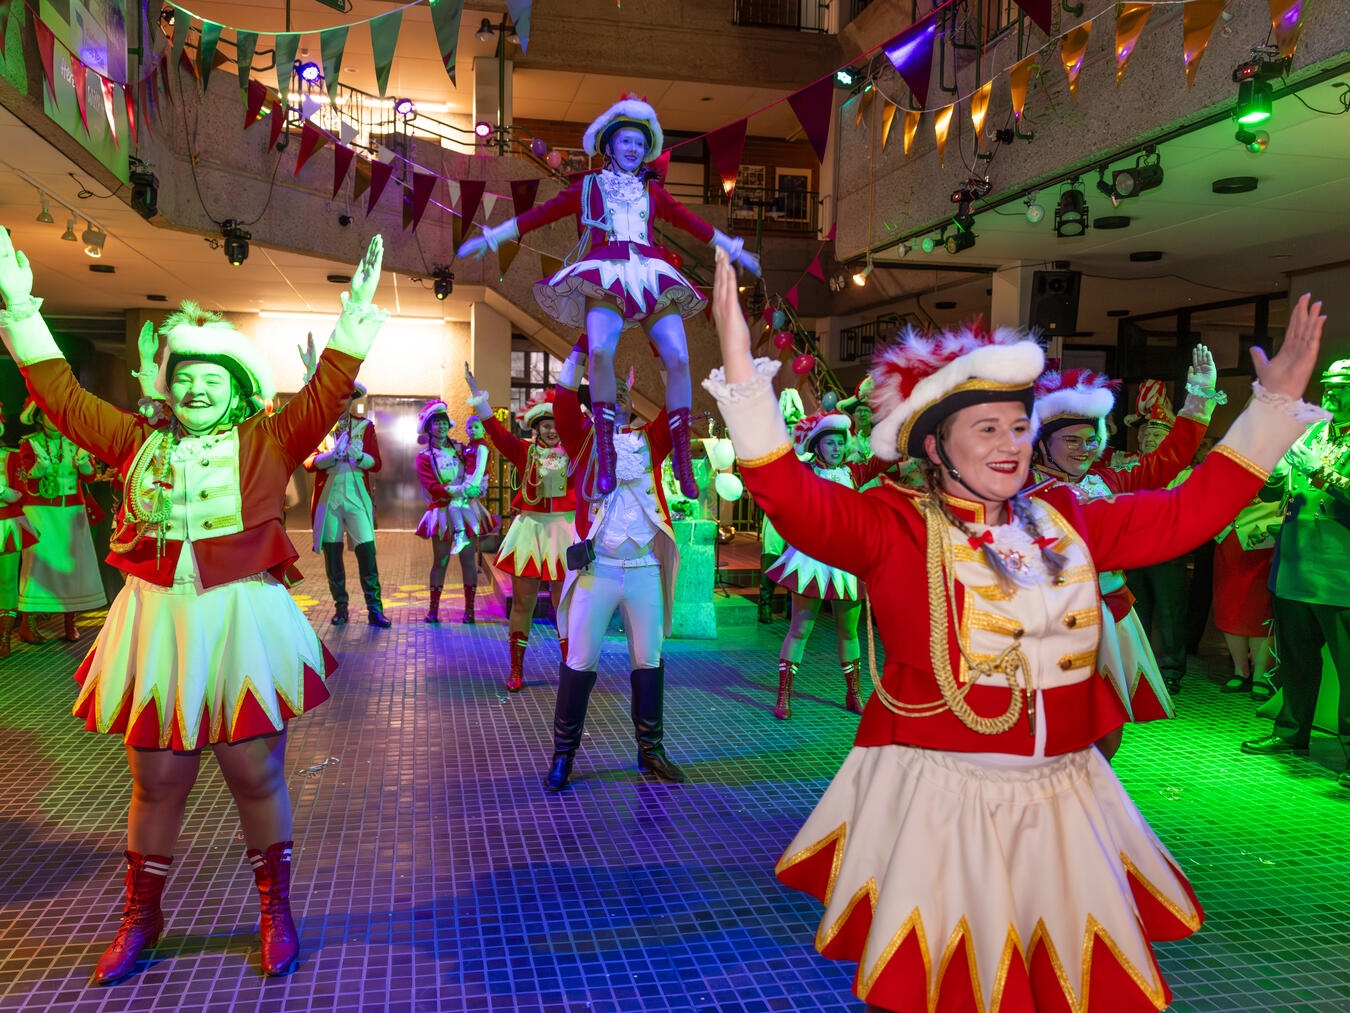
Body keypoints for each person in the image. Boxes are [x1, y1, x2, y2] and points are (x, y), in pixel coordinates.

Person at [704, 247, 1326, 1013]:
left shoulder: (1068, 519)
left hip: (1064, 794)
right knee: (952, 983)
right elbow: (792, 498)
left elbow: (1186, 512)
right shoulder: (893, 527)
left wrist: (1269, 413)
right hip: (948, 798)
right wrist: (741, 374)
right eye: (987, 427)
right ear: (934, 445)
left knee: (1060, 979)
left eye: (1019, 425)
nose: (1010, 443)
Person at [0, 230, 388, 984]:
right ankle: (140, 915)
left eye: (212, 379)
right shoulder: (135, 441)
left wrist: (354, 324)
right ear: (168, 388)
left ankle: (276, 909)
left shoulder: (269, 439)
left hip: (237, 623)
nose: (195, 390)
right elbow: (65, 400)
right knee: (155, 779)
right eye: (184, 380)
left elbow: (324, 395)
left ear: (239, 388)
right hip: (155, 626)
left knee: (254, 772)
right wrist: (20, 310)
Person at [458, 94, 760, 500]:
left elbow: (692, 224)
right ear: (610, 145)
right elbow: (540, 214)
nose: (633, 148)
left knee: (682, 358)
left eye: (640, 142)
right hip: (605, 273)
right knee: (599, 352)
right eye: (626, 141)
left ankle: (683, 459)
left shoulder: (652, 192)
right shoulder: (588, 187)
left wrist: (735, 249)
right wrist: (494, 236)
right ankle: (605, 451)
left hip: (651, 275)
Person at [1030, 358, 1221, 727]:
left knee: (1108, 728)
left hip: (1112, 613)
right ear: (1042, 444)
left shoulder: (1107, 481)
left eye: (1091, 440)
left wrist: (1198, 399)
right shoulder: (1017, 491)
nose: (1084, 449)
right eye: (1071, 440)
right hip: (1049, 621)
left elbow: (1168, 460)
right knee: (1055, 722)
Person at [545, 338, 685, 791]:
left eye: (622, 396)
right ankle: (563, 755)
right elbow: (563, 401)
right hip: (597, 571)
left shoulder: (649, 441)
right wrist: (582, 347)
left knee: (649, 659)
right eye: (607, 396)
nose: (617, 402)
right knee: (580, 660)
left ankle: (651, 752)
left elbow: (676, 408)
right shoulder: (584, 442)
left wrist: (665, 350)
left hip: (643, 569)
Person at [1242, 358, 1350, 790]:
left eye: (1341, 386)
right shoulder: (1311, 431)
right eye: (1328, 383)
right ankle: (1291, 733)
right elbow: (1272, 491)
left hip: (1341, 574)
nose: (1330, 391)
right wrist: (1273, 468)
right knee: (1298, 660)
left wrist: (1319, 473)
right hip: (1295, 567)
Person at [767, 410, 887, 721]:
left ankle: (854, 693)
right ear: (818, 446)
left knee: (849, 631)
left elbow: (884, 460)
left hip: (846, 561)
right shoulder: (803, 471)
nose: (836, 449)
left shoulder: (853, 473)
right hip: (811, 559)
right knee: (800, 628)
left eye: (840, 443)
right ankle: (785, 695)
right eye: (830, 443)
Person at [465, 373, 576, 691]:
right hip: (529, 531)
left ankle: (571, 667)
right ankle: (516, 669)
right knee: (523, 604)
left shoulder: (576, 453)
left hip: (564, 533)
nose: (552, 431)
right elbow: (498, 435)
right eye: (546, 425)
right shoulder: (524, 452)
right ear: (536, 427)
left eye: (556, 424)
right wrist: (481, 402)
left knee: (564, 604)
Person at [14, 398, 107, 642]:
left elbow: (89, 478)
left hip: (72, 513)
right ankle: (27, 623)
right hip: (41, 513)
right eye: (47, 414)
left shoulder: (77, 443)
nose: (53, 419)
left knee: (72, 567)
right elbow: (27, 483)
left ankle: (69, 622)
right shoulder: (29, 445)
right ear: (38, 418)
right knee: (36, 566)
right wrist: (39, 471)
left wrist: (84, 463)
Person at [302, 379, 391, 628]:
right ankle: (341, 608)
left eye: (347, 397)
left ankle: (375, 610)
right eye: (339, 396)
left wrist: (359, 456)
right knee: (332, 556)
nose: (343, 401)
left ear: (353, 399)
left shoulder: (364, 426)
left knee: (367, 554)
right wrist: (331, 456)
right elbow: (308, 463)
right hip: (328, 500)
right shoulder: (319, 428)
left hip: (356, 497)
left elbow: (377, 463)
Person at [1213, 490, 1280, 697]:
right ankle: (1240, 670)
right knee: (1229, 605)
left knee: (1260, 608)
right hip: (1228, 537)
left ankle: (1261, 674)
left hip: (1264, 535)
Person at [413, 400, 474, 623]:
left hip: (466, 510)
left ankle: (470, 610)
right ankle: (433, 610)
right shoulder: (424, 457)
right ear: (428, 428)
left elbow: (474, 468)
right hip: (441, 513)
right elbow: (432, 486)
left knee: (468, 560)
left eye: (443, 422)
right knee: (440, 560)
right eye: (435, 423)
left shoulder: (460, 449)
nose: (440, 426)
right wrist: (457, 490)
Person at [757, 388, 804, 624]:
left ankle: (790, 607)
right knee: (771, 553)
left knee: (796, 556)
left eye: (794, 421)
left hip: (799, 510)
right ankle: (764, 604)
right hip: (776, 508)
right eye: (786, 420)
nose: (790, 425)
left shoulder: (807, 449)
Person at [0, 408, 37, 657]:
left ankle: (4, 639)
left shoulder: (11, 458)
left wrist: (2, 492)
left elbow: (23, 493)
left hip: (6, 524)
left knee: (7, 582)